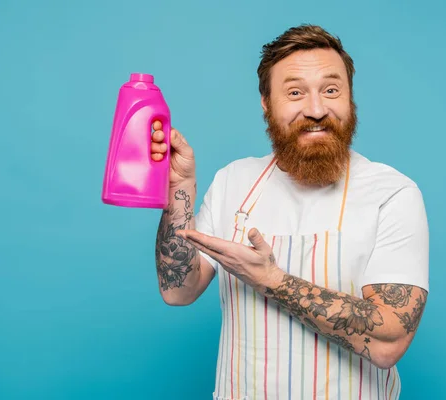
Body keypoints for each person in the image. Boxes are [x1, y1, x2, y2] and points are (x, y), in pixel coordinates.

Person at [151, 24, 428, 400]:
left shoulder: (392, 193)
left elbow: (388, 343)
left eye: (331, 90)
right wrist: (178, 190)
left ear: (350, 98)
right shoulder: (235, 180)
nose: (316, 110)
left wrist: (272, 281)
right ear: (266, 102)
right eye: (295, 92)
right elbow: (177, 291)